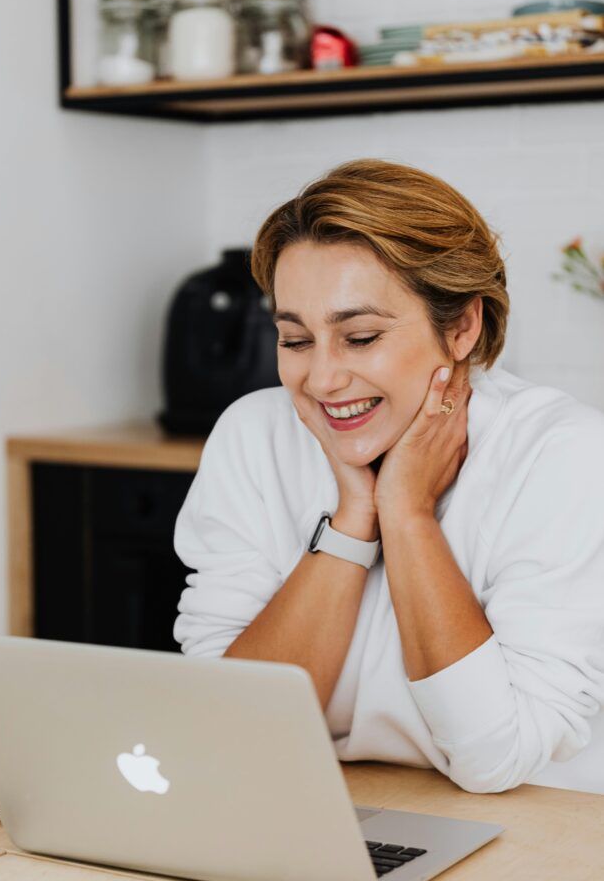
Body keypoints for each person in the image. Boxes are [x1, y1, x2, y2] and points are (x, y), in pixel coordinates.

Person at [173, 159, 604, 794]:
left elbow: (497, 758)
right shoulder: (253, 435)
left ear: (461, 326)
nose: (321, 380)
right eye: (295, 341)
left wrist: (406, 514)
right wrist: (354, 516)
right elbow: (230, 732)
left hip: (533, 832)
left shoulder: (561, 452)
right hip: (323, 810)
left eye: (361, 336)